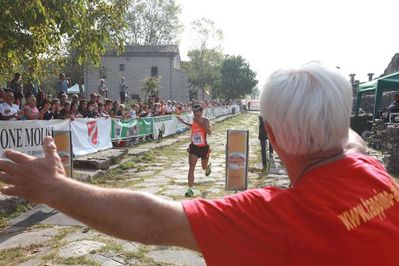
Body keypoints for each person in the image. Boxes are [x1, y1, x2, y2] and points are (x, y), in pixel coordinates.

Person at [1, 64, 399, 266]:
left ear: (272, 136)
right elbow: (353, 142)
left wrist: (53, 188)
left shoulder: (276, 216)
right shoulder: (374, 173)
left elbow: (153, 219)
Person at [177, 104, 212, 197]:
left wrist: (201, 123)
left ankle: (208, 167)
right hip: (194, 147)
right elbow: (193, 126)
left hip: (203, 147)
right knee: (191, 167)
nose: (195, 113)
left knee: (203, 167)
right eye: (194, 111)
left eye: (197, 111)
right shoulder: (194, 119)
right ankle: (190, 189)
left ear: (201, 112)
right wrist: (183, 122)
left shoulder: (205, 120)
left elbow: (209, 132)